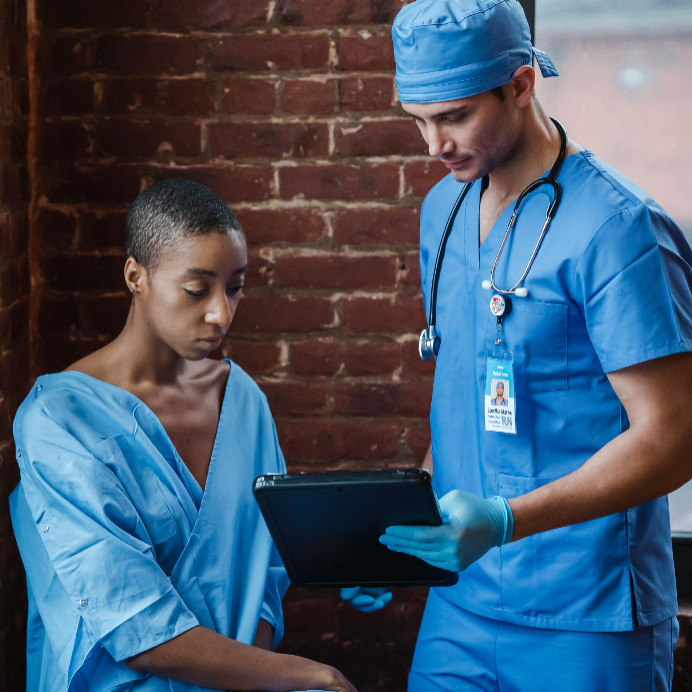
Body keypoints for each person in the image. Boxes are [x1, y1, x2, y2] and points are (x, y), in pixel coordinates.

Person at [371, 1, 692, 690]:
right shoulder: (443, 210)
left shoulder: (617, 228)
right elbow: (465, 388)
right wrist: (405, 527)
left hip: (587, 612)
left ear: (520, 85)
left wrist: (506, 520)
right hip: (460, 602)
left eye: (454, 116)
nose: (434, 145)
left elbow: (675, 439)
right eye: (417, 120)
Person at [9, 179, 357, 692]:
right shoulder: (58, 421)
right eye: (197, 290)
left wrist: (249, 678)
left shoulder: (243, 401)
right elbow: (135, 625)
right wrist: (310, 675)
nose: (221, 313)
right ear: (136, 276)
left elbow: (267, 568)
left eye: (234, 286)